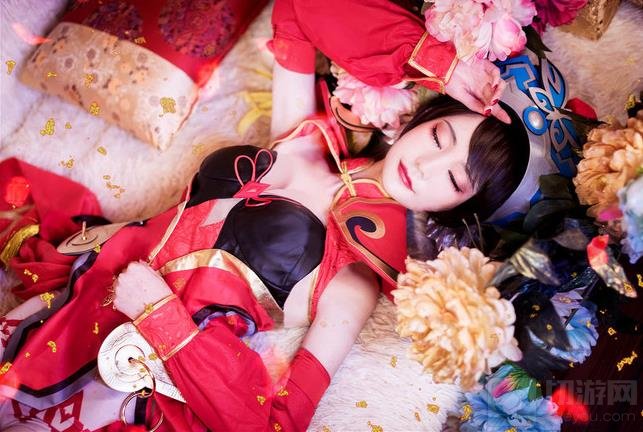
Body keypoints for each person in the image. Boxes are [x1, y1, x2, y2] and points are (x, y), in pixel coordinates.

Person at [0, 1, 530, 431]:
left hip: (112, 376)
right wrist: (440, 63)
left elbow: (280, 422)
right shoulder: (304, 136)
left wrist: (161, 315)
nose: (427, 165)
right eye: (438, 137)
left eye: (455, 180)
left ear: (456, 209)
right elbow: (298, 10)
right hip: (70, 288)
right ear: (419, 120)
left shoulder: (354, 282)